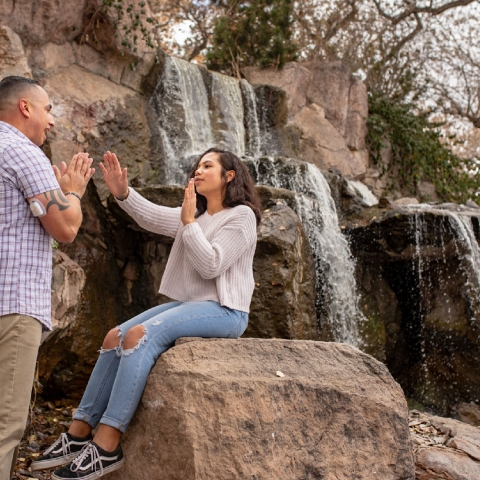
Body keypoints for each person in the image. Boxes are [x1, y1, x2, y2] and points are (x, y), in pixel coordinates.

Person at [32, 147, 262, 479]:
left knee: (139, 337)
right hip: (192, 306)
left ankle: (108, 444)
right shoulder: (196, 213)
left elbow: (212, 264)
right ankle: (79, 432)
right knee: (115, 336)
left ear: (229, 176)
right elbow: (152, 216)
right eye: (196, 166)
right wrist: (123, 194)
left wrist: (187, 222)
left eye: (207, 166)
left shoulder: (242, 216)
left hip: (226, 311)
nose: (198, 171)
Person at [0, 76, 95, 480]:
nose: (51, 121)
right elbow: (66, 228)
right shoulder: (22, 151)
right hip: (12, 304)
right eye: (48, 109)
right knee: (5, 424)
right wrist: (72, 190)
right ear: (25, 108)